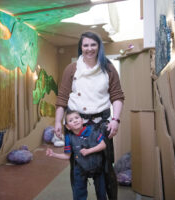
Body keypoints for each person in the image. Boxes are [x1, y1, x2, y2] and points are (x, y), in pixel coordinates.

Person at [54, 31, 125, 200]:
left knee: (106, 170)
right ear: (81, 47)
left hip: (102, 125)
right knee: (78, 170)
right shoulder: (71, 69)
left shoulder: (108, 67)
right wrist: (58, 121)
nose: (89, 48)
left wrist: (115, 120)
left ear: (99, 46)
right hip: (76, 127)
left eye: (93, 44)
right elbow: (62, 98)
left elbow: (117, 96)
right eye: (85, 45)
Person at [46, 110, 107, 200]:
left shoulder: (93, 130)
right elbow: (67, 156)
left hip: (97, 166)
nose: (75, 121)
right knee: (79, 194)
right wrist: (54, 154)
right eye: (70, 120)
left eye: (77, 118)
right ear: (68, 126)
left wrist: (89, 151)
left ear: (82, 120)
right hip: (80, 169)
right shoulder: (69, 138)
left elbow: (103, 145)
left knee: (101, 193)